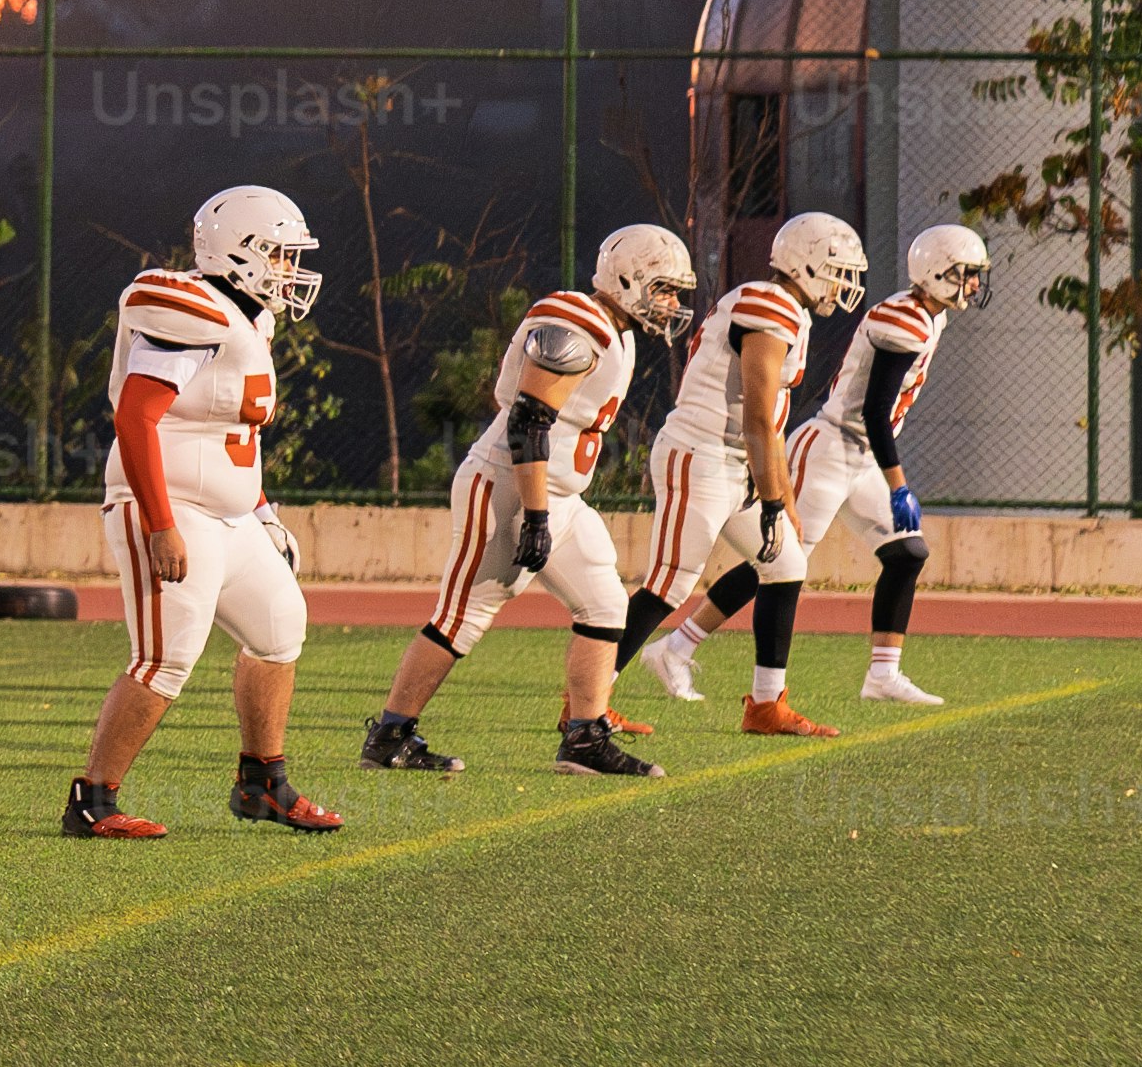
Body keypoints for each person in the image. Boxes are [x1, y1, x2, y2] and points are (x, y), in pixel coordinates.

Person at [360, 223, 694, 784]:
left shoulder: (618, 330)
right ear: (630, 278)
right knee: (462, 616)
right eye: (664, 289)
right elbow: (527, 420)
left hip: (559, 494)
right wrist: (535, 515)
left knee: (607, 606)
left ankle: (585, 737)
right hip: (510, 488)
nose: (671, 304)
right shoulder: (575, 320)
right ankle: (390, 734)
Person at [65, 185, 341, 841]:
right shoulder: (192, 310)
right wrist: (160, 523)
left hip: (230, 512)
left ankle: (261, 783)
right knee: (166, 657)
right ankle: (92, 799)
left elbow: (234, 435)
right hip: (168, 503)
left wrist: (263, 511)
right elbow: (135, 417)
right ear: (240, 253)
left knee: (279, 629)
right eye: (276, 254)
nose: (287, 269)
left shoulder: (252, 318)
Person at [645, 210, 869, 739]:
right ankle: (585, 703)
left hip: (729, 461)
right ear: (808, 265)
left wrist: (783, 497)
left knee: (786, 565)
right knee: (666, 587)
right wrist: (773, 501)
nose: (842, 284)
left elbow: (766, 422)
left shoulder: (784, 307)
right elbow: (756, 416)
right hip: (700, 454)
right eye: (837, 270)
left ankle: (766, 706)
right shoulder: (768, 304)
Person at [819, 223, 991, 706]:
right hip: (832, 448)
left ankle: (882, 675)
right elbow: (875, 411)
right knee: (776, 563)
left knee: (907, 553)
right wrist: (899, 486)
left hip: (860, 452)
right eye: (966, 274)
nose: (974, 285)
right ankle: (680, 645)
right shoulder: (907, 319)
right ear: (938, 272)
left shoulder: (929, 316)